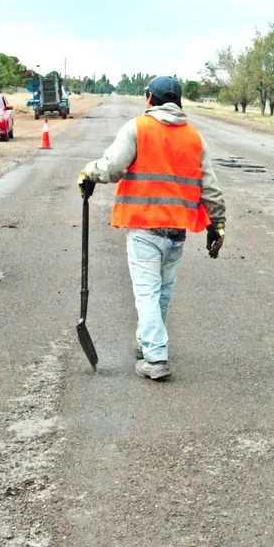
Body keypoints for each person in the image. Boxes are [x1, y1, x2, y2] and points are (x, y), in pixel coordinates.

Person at [77, 76, 226, 381]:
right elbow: (209, 187)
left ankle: (156, 358)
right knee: (162, 294)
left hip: (145, 227)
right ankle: (147, 340)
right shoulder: (194, 138)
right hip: (176, 231)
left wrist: (88, 174)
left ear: (149, 99)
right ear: (178, 101)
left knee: (147, 293)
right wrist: (218, 224)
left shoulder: (137, 128)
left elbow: (112, 167)